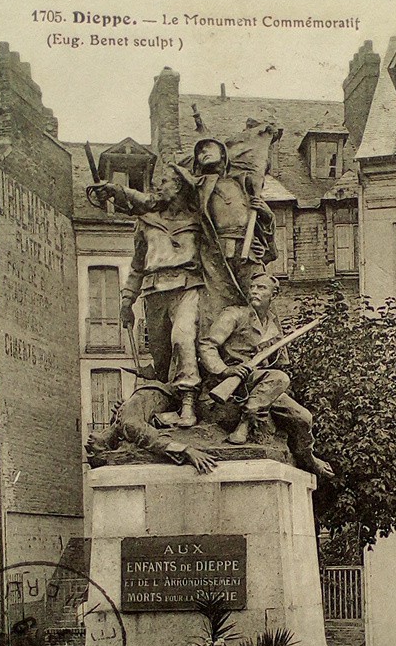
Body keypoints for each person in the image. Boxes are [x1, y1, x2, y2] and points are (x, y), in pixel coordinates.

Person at [90, 166, 204, 428]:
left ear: (179, 187)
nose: (158, 187)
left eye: (164, 182)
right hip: (154, 291)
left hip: (187, 287)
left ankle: (188, 405)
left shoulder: (198, 221)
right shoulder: (146, 221)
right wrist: (127, 300)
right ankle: (162, 407)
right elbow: (137, 265)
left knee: (182, 338)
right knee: (161, 357)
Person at [198, 273, 333, 478]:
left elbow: (280, 365)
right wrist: (225, 370)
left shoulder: (273, 324)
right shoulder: (234, 314)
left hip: (262, 382)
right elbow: (207, 345)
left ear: (274, 294)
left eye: (261, 288)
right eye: (253, 287)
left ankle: (308, 458)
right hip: (232, 378)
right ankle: (245, 422)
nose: (254, 291)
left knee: (304, 417)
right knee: (279, 378)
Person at [191, 135, 278, 310]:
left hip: (248, 251)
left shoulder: (243, 184)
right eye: (200, 152)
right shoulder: (197, 187)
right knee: (217, 308)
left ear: (223, 154)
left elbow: (261, 226)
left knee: (258, 301)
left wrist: (267, 215)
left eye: (208, 147)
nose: (204, 152)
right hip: (215, 256)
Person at [86, 371, 217, 474]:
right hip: (181, 393)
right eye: (92, 451)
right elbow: (148, 436)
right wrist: (186, 450)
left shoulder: (120, 423)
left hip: (178, 389)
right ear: (109, 448)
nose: (87, 444)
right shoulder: (128, 428)